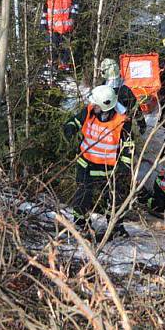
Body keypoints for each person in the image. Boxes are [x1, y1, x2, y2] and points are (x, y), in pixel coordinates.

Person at [63, 85, 134, 237]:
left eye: (96, 105)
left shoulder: (122, 122)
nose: (92, 106)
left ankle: (116, 227)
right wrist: (70, 130)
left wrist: (124, 167)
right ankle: (80, 224)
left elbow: (128, 147)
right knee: (82, 196)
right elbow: (73, 122)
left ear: (105, 107)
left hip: (109, 170)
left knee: (114, 198)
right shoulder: (88, 112)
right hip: (86, 165)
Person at [41, 0, 79, 71]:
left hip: (67, 27)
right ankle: (52, 65)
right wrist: (44, 26)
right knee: (52, 47)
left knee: (66, 49)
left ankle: (64, 66)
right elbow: (44, 10)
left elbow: (75, 6)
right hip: (52, 27)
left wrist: (73, 19)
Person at [99, 58, 146, 133]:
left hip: (107, 128)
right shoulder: (125, 90)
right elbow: (135, 109)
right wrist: (142, 125)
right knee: (126, 141)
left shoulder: (102, 88)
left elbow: (135, 109)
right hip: (122, 127)